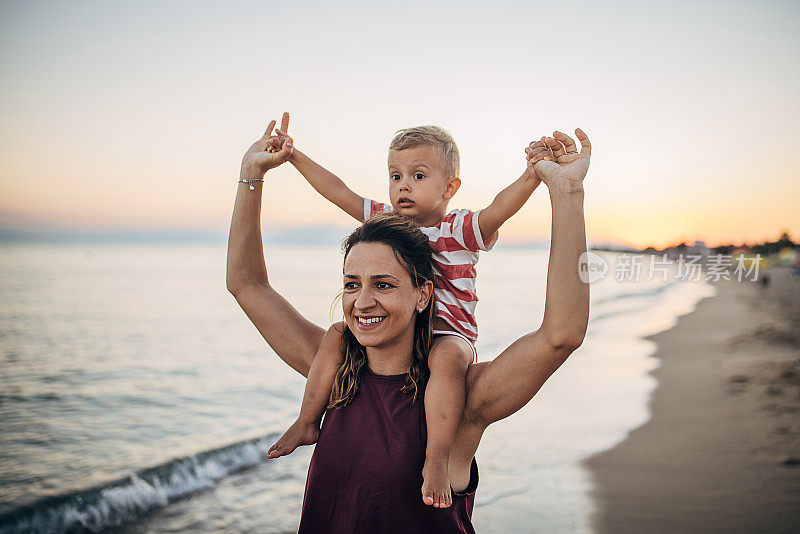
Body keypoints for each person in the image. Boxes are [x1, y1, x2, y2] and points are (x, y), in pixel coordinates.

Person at [226, 119, 591, 531]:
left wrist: (566, 191)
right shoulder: (334, 369)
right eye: (351, 284)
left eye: (383, 284)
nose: (362, 302)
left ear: (423, 294)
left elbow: (562, 334)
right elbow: (247, 284)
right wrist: (252, 175)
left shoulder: (464, 400)